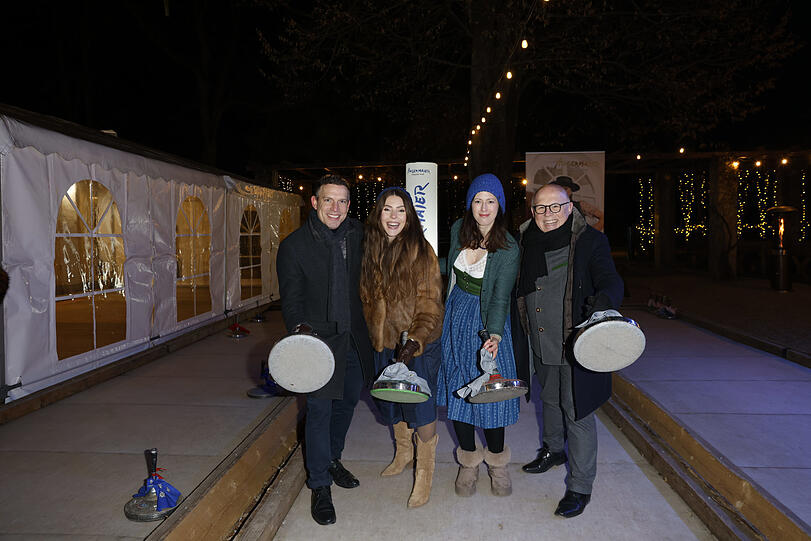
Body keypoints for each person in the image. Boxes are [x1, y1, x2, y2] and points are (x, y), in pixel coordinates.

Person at [516, 183, 623, 518]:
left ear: (570, 207)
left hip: (575, 343)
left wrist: (603, 302)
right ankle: (552, 450)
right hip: (539, 339)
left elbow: (610, 279)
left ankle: (580, 485)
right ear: (532, 212)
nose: (548, 215)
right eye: (540, 208)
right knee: (549, 400)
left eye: (555, 207)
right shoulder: (523, 242)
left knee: (577, 412)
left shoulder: (591, 241)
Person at [276, 174, 374, 526]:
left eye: (343, 201)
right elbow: (292, 302)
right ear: (314, 202)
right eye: (329, 200)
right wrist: (302, 339)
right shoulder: (294, 247)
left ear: (349, 204)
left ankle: (333, 459)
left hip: (354, 338)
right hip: (317, 342)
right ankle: (318, 484)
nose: (336, 208)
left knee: (346, 404)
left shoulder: (360, 236)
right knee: (318, 411)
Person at [360, 186, 444, 508]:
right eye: (387, 210)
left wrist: (414, 341)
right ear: (378, 214)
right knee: (390, 403)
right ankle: (404, 453)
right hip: (383, 343)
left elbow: (430, 304)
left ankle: (424, 472)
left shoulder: (421, 252)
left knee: (420, 407)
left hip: (414, 344)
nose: (393, 217)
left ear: (409, 217)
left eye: (400, 211)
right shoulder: (371, 249)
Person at [437, 173, 520, 497]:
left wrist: (496, 336)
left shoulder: (509, 247)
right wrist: (423, 261)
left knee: (491, 395)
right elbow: (452, 267)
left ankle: (498, 464)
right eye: (478, 200)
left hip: (487, 322)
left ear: (500, 205)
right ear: (470, 204)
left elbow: (500, 296)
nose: (484, 208)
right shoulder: (459, 229)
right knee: (460, 393)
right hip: (455, 318)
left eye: (491, 201)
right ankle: (468, 463)